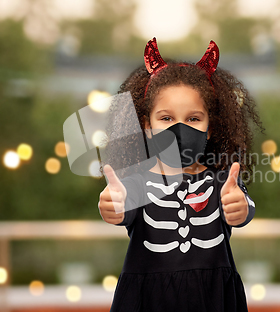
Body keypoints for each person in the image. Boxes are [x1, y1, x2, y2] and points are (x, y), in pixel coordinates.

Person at [98, 37, 264, 312]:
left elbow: (244, 207)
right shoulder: (135, 184)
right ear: (146, 125)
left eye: (193, 119)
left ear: (210, 127)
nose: (179, 129)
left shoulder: (223, 182)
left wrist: (240, 208)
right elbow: (121, 208)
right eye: (166, 118)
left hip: (213, 298)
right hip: (147, 301)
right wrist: (112, 205)